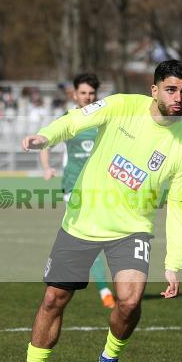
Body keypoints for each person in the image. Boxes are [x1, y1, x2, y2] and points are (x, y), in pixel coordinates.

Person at [5, 60, 182, 362]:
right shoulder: (123, 105)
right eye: (171, 90)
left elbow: (180, 204)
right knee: (53, 300)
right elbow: (76, 120)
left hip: (132, 228)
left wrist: (174, 263)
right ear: (154, 90)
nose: (178, 98)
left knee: (130, 301)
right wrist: (45, 136)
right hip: (84, 220)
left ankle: (109, 357)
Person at [40, 73, 116, 309]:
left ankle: (84, 283)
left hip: (100, 189)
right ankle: (102, 289)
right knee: (89, 237)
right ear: (74, 95)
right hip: (73, 188)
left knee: (101, 238)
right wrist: (47, 167)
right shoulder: (69, 119)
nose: (87, 97)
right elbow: (45, 143)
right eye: (83, 93)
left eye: (92, 93)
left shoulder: (104, 119)